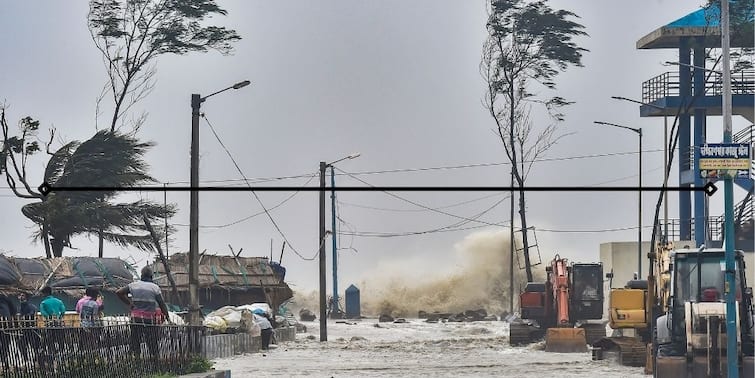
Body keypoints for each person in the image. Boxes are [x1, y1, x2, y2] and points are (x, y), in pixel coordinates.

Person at [116, 266, 171, 359]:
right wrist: (167, 317)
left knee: (135, 340)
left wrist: (129, 303)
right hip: (149, 319)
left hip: (136, 318)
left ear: (141, 275)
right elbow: (162, 304)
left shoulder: (133, 285)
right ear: (151, 276)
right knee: (152, 341)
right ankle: (155, 360)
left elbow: (119, 292)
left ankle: (136, 359)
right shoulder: (155, 288)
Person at [16, 292, 40, 366]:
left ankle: (36, 358)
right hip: (23, 329)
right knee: (21, 344)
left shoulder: (30, 306)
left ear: (26, 297)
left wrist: (25, 317)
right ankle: (25, 358)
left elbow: (32, 312)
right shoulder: (20, 307)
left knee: (34, 345)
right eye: (20, 295)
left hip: (31, 328)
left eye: (22, 295)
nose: (21, 296)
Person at [0, 294, 17, 372]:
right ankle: (3, 362)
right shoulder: (6, 298)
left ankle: (3, 363)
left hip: (5, 323)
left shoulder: (5, 298)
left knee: (5, 344)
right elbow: (14, 311)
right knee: (5, 345)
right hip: (6, 324)